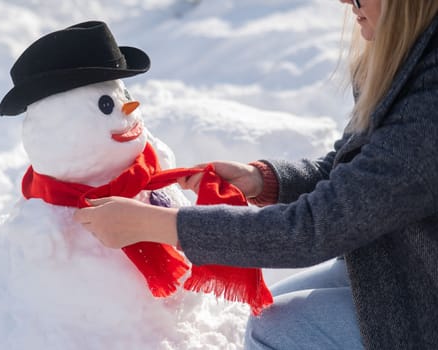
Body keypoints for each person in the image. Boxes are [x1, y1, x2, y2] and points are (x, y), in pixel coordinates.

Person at [73, 0, 438, 349]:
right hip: (409, 266)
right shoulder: (408, 61)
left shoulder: (428, 103)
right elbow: (357, 171)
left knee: (278, 331)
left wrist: (157, 225)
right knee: (276, 307)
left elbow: (310, 231)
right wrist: (264, 180)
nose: (344, 1)